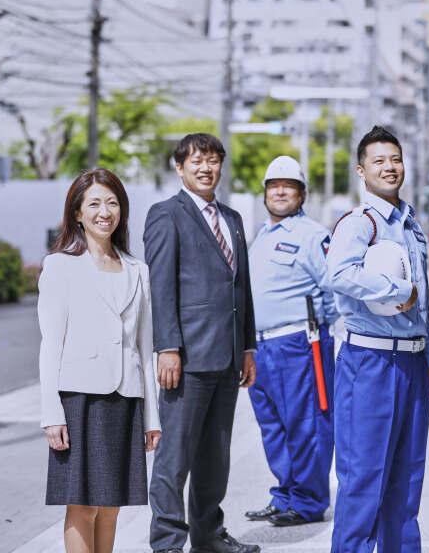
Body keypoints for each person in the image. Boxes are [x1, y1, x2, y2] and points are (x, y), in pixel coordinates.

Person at [327, 125, 429, 553]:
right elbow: (337, 275)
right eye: (379, 160)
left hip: (411, 362)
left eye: (395, 159)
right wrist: (396, 293)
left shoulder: (411, 226)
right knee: (363, 481)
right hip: (369, 365)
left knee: (407, 481)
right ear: (361, 170)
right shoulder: (360, 223)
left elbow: (423, 299)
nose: (390, 167)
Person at [145, 133, 259, 553]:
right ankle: (168, 543)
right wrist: (168, 347)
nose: (206, 168)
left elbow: (240, 288)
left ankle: (208, 537)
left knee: (215, 458)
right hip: (187, 358)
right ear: (180, 168)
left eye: (212, 161)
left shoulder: (232, 218)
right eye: (196, 161)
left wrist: (247, 348)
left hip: (227, 358)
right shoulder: (165, 215)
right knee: (174, 459)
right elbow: (161, 287)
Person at [38, 168, 161, 553]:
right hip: (80, 401)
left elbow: (145, 349)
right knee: (83, 506)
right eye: (94, 203)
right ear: (77, 213)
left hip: (124, 398)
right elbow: (50, 345)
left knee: (111, 507)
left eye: (112, 203)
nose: (104, 212)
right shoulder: (60, 266)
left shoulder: (138, 270)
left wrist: (151, 416)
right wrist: (51, 413)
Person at [244, 156, 338, 527]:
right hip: (261, 346)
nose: (280, 191)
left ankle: (309, 501)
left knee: (307, 424)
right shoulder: (260, 236)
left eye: (288, 185)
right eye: (273, 185)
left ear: (301, 194)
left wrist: (318, 327)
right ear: (265, 193)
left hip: (300, 343)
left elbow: (332, 290)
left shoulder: (313, 235)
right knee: (272, 425)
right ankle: (285, 494)